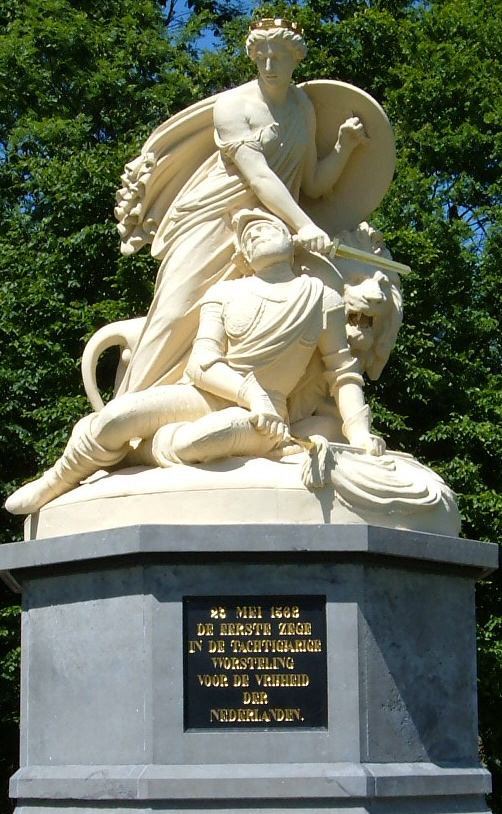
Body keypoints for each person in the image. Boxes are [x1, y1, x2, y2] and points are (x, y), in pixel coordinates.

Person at [5, 211, 384, 516]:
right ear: (244, 256)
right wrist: (251, 393)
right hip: (206, 395)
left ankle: (139, 453)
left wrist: (359, 433)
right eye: (249, 236)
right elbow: (201, 365)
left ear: (290, 240)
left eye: (267, 228)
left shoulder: (322, 298)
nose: (257, 235)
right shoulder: (225, 293)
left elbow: (342, 372)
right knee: (115, 417)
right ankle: (56, 479)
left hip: (265, 418)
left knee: (204, 437)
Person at [114, 18, 368, 393]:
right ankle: (129, 408)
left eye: (278, 56)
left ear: (295, 58)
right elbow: (260, 176)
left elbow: (313, 183)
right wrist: (304, 226)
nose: (269, 65)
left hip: (268, 227)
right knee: (175, 311)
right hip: (213, 218)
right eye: (261, 56)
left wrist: (345, 146)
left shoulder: (303, 108)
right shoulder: (233, 106)